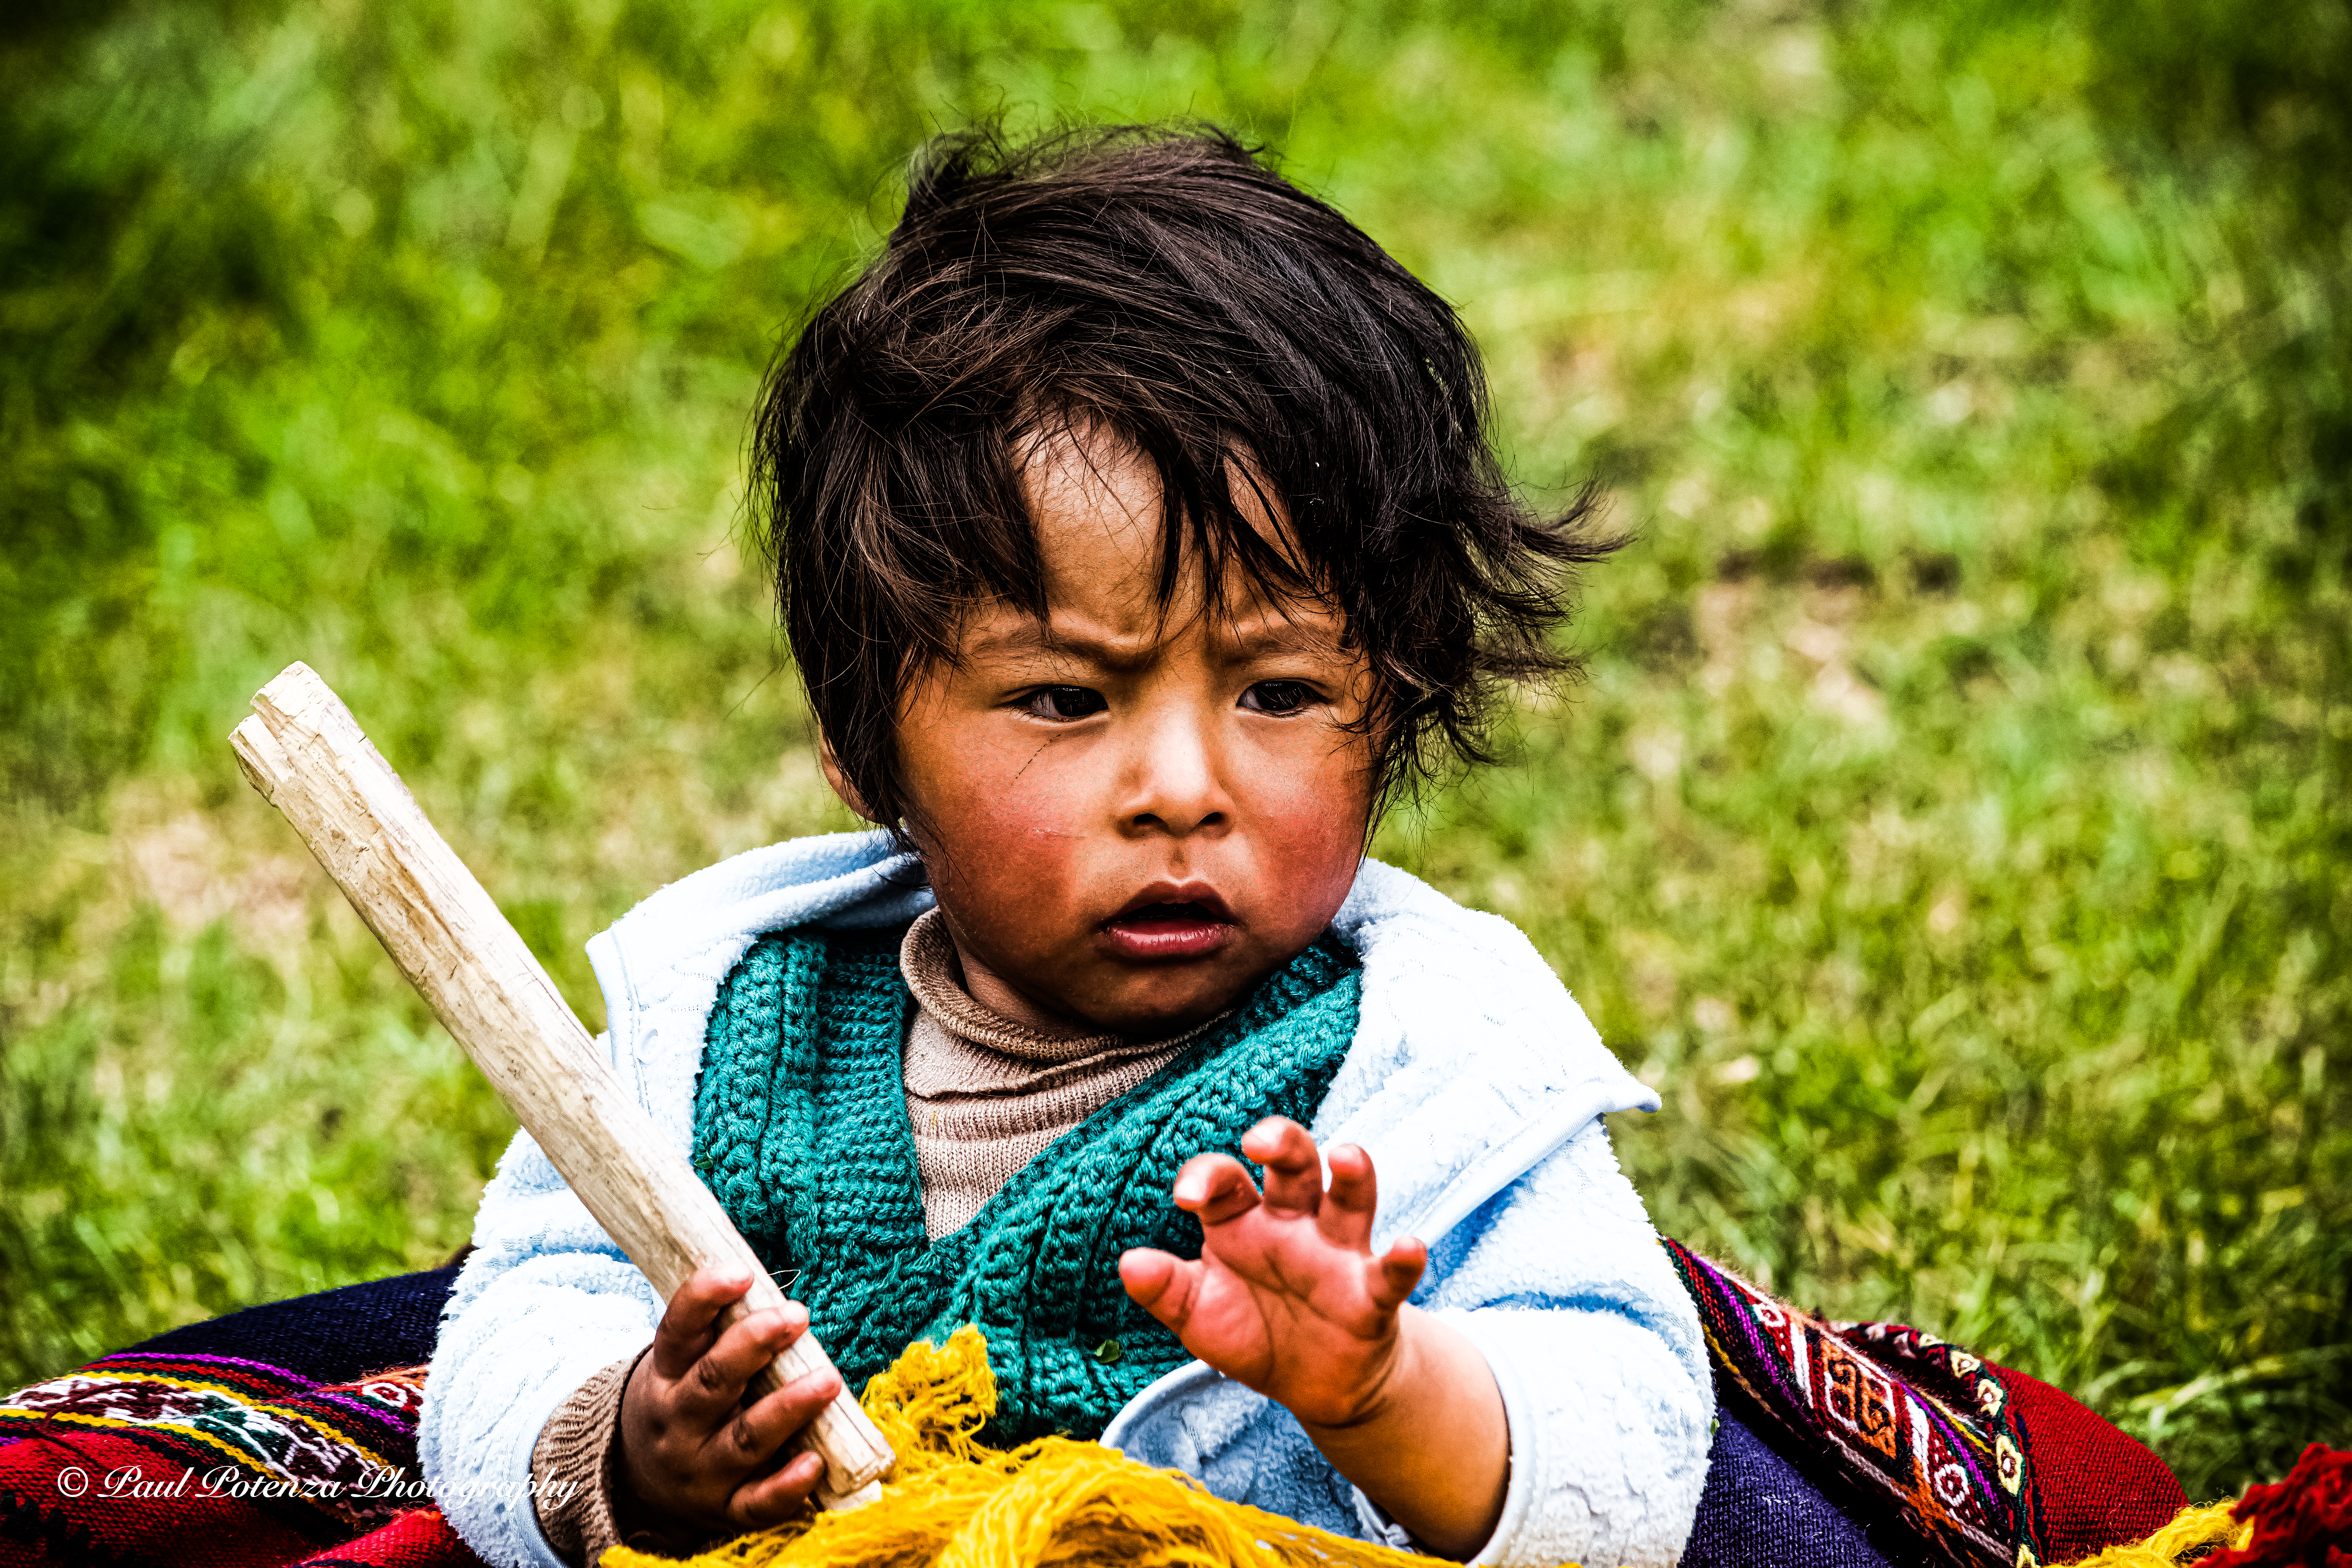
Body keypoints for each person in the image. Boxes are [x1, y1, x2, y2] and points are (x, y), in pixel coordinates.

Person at [418, 124, 1713, 1568]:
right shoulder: (718, 1033)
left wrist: (1389, 1392)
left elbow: (1634, 1444)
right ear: (863, 741)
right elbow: (514, 1328)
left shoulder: (1427, 1072)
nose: (1181, 790)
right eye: (1065, 699)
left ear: (1391, 704)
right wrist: (629, 1452)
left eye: (1281, 692)